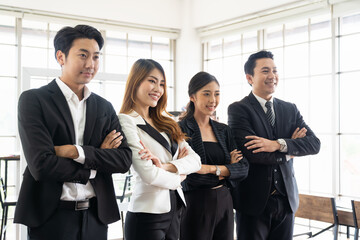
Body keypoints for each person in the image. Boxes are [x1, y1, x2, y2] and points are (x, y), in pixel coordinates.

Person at [14, 25, 132, 240]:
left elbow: (123, 160)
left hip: (96, 217)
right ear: (61, 57)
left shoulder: (104, 107)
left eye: (96, 57)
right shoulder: (34, 100)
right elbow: (41, 165)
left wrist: (74, 152)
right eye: (83, 55)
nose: (91, 64)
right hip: (51, 217)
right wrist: (96, 163)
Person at [228, 50, 321, 240]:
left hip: (286, 201)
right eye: (265, 71)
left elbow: (314, 144)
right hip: (253, 202)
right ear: (249, 77)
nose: (272, 76)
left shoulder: (290, 109)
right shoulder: (239, 109)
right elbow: (253, 154)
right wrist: (291, 150)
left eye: (275, 70)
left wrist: (277, 144)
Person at [118, 59, 201, 240]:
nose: (158, 89)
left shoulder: (167, 122)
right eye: (152, 81)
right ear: (136, 82)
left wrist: (164, 166)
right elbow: (148, 173)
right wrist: (180, 177)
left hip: (175, 210)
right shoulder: (126, 120)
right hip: (147, 215)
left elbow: (195, 160)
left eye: (162, 83)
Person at [178, 71, 249, 240]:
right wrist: (227, 171)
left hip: (225, 201)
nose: (213, 100)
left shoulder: (224, 130)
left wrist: (210, 169)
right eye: (207, 94)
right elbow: (190, 177)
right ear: (192, 97)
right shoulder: (181, 129)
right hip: (195, 203)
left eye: (217, 94)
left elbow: (243, 168)